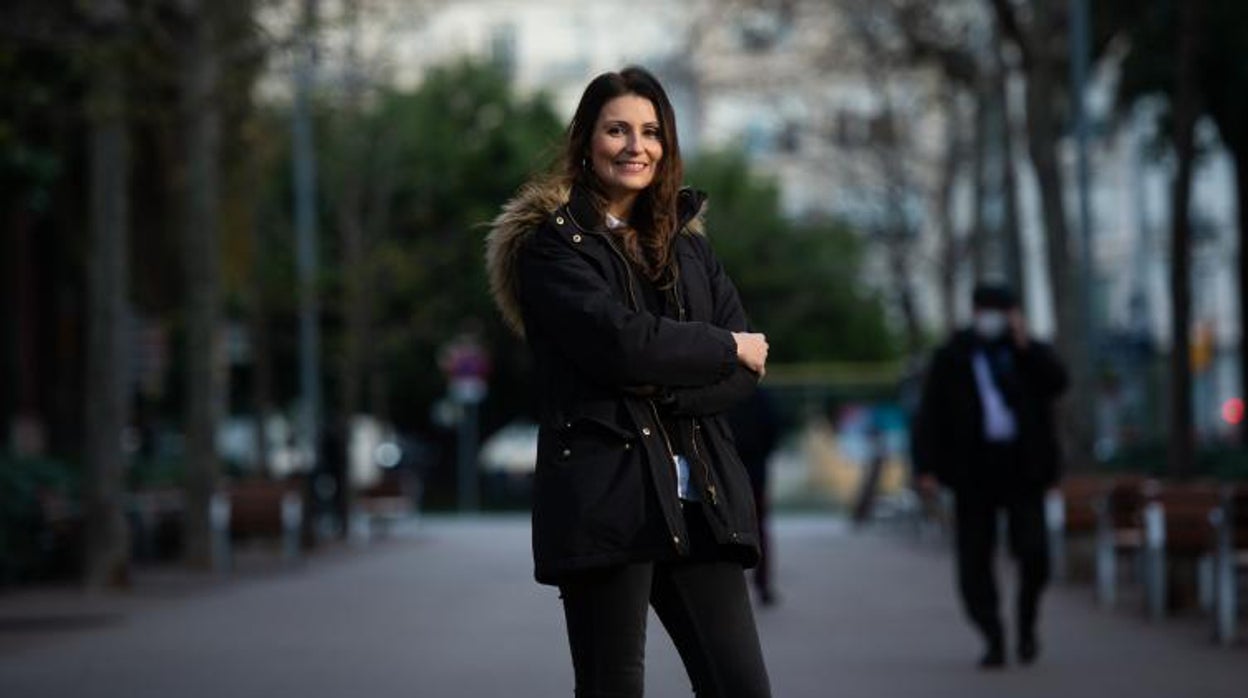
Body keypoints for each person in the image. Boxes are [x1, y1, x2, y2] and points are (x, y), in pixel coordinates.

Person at [486, 66, 772, 697]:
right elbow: (623, 344)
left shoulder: (690, 248)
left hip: (701, 500)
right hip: (606, 497)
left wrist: (661, 382)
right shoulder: (551, 248)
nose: (635, 146)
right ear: (586, 141)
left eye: (651, 131)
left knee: (743, 687)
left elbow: (743, 376)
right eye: (617, 130)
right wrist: (721, 347)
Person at [911, 283, 1069, 670]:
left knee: (1034, 552)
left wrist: (1025, 346)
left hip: (1023, 468)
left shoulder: (1026, 352)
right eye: (986, 309)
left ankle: (1026, 626)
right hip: (973, 470)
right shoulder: (954, 354)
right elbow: (930, 414)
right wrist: (926, 468)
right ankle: (993, 635)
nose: (992, 318)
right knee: (974, 558)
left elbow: (1058, 382)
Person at [727, 387, 781, 605]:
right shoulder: (759, 395)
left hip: (727, 469)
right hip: (755, 468)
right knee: (759, 527)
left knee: (725, 529)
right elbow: (772, 430)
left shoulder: (719, 395)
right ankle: (763, 584)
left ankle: (731, 588)